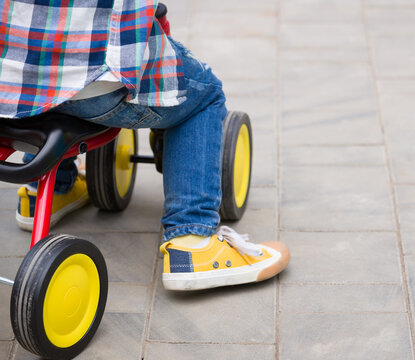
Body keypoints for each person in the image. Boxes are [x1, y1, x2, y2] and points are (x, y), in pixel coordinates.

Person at [0, 0, 289, 290]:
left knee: (43, 66)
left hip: (13, 76)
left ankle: (42, 197)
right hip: (96, 79)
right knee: (204, 96)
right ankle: (193, 241)